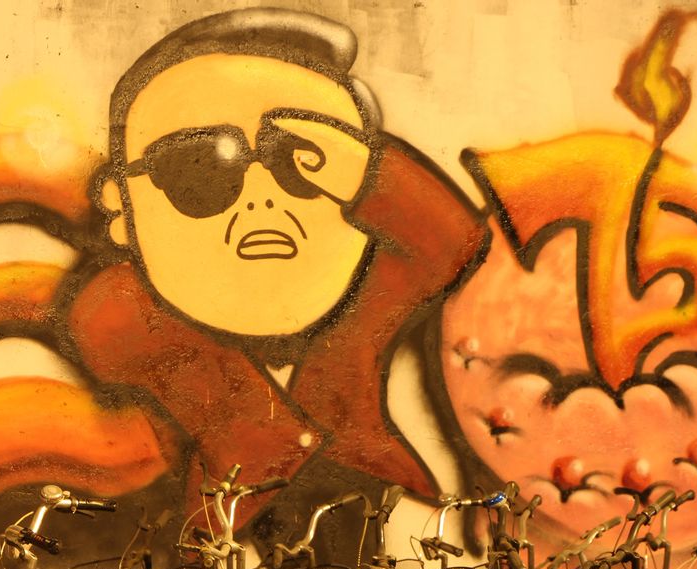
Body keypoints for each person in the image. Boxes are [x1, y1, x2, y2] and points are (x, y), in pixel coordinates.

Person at [64, 8, 487, 531]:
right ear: (119, 205)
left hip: (383, 514)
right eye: (201, 169)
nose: (261, 198)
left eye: (303, 166)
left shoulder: (375, 289)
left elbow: (458, 249)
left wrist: (365, 169)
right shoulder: (123, 314)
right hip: (231, 527)